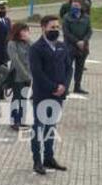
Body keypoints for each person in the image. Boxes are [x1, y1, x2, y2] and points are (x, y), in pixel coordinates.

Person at [29, 15, 71, 175]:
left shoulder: (62, 46)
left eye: (57, 27)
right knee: (38, 128)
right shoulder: (36, 48)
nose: (55, 30)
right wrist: (54, 87)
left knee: (51, 127)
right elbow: (37, 73)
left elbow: (69, 68)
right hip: (42, 95)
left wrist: (64, 87)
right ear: (43, 28)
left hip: (59, 95)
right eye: (52, 27)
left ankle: (49, 158)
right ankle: (37, 161)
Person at [62, 0, 92, 94]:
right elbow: (66, 32)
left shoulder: (86, 17)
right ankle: (65, 87)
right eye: (73, 5)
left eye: (77, 5)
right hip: (70, 46)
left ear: (81, 6)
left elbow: (89, 31)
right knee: (68, 68)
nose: (75, 7)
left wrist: (84, 41)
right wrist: (77, 41)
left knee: (80, 68)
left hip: (83, 47)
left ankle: (77, 87)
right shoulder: (66, 17)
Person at [7, 22, 32, 130]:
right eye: (24, 30)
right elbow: (15, 60)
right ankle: (14, 121)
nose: (26, 33)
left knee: (24, 98)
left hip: (28, 76)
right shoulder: (12, 43)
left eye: (27, 30)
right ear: (18, 31)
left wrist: (29, 40)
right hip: (18, 76)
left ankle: (22, 120)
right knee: (17, 98)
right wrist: (25, 74)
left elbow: (35, 50)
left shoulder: (27, 43)